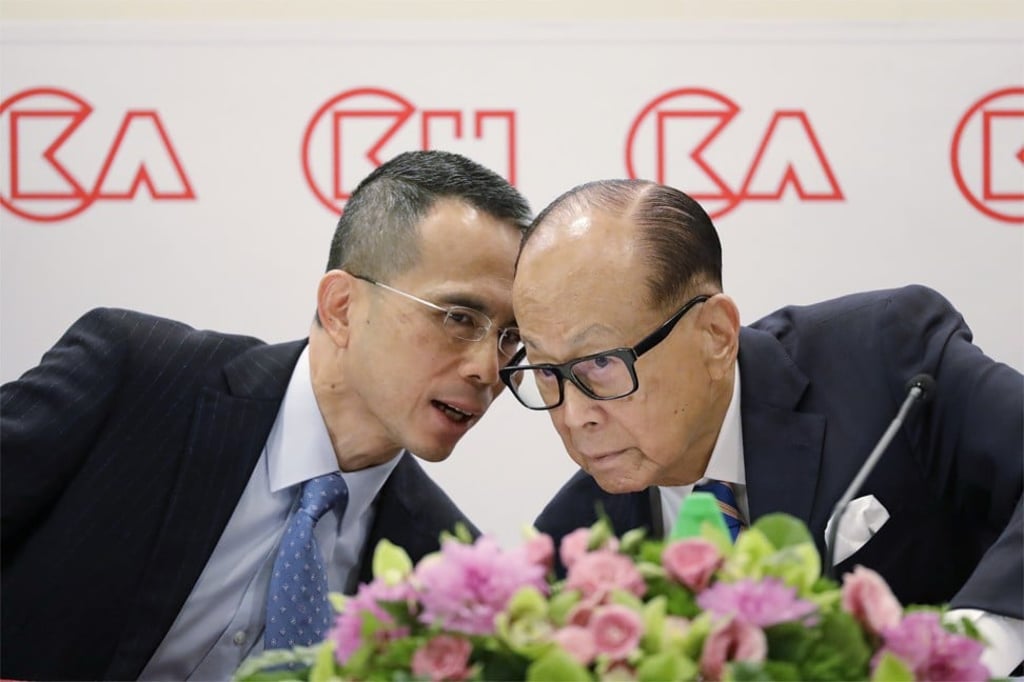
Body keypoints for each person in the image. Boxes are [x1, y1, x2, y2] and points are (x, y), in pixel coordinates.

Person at [1, 150, 532, 681]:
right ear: (342, 307)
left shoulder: (444, 568)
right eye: (459, 318)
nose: (490, 369)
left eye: (512, 339)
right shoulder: (138, 381)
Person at [500, 178, 1023, 674]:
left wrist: (969, 650)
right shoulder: (573, 552)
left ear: (716, 335)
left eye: (601, 362)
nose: (573, 415)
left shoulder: (886, 360)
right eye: (547, 372)